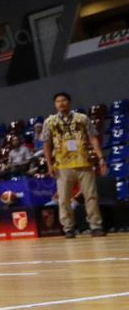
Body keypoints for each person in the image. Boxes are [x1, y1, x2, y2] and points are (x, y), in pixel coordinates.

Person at [42, 92, 106, 237]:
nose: (61, 103)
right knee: (63, 199)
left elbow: (93, 138)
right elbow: (46, 144)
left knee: (91, 196)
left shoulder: (82, 118)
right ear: (55, 104)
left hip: (84, 162)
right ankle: (68, 228)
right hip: (62, 165)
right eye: (57, 101)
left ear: (69, 102)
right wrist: (49, 165)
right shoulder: (49, 122)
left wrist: (100, 157)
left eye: (63, 100)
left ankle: (95, 226)